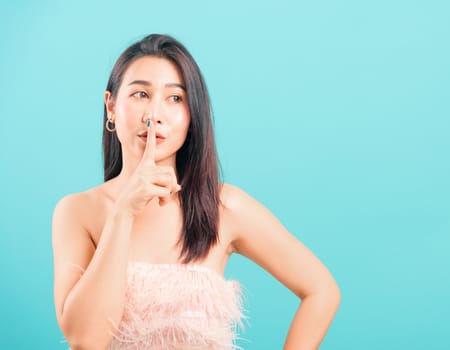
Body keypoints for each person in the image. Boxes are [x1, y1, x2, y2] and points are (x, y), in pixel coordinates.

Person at [51, 33, 341, 350]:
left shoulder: (223, 206)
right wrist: (123, 213)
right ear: (111, 107)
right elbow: (85, 340)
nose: (154, 115)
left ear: (192, 116)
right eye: (140, 94)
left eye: (175, 98)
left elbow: (321, 291)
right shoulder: (78, 211)